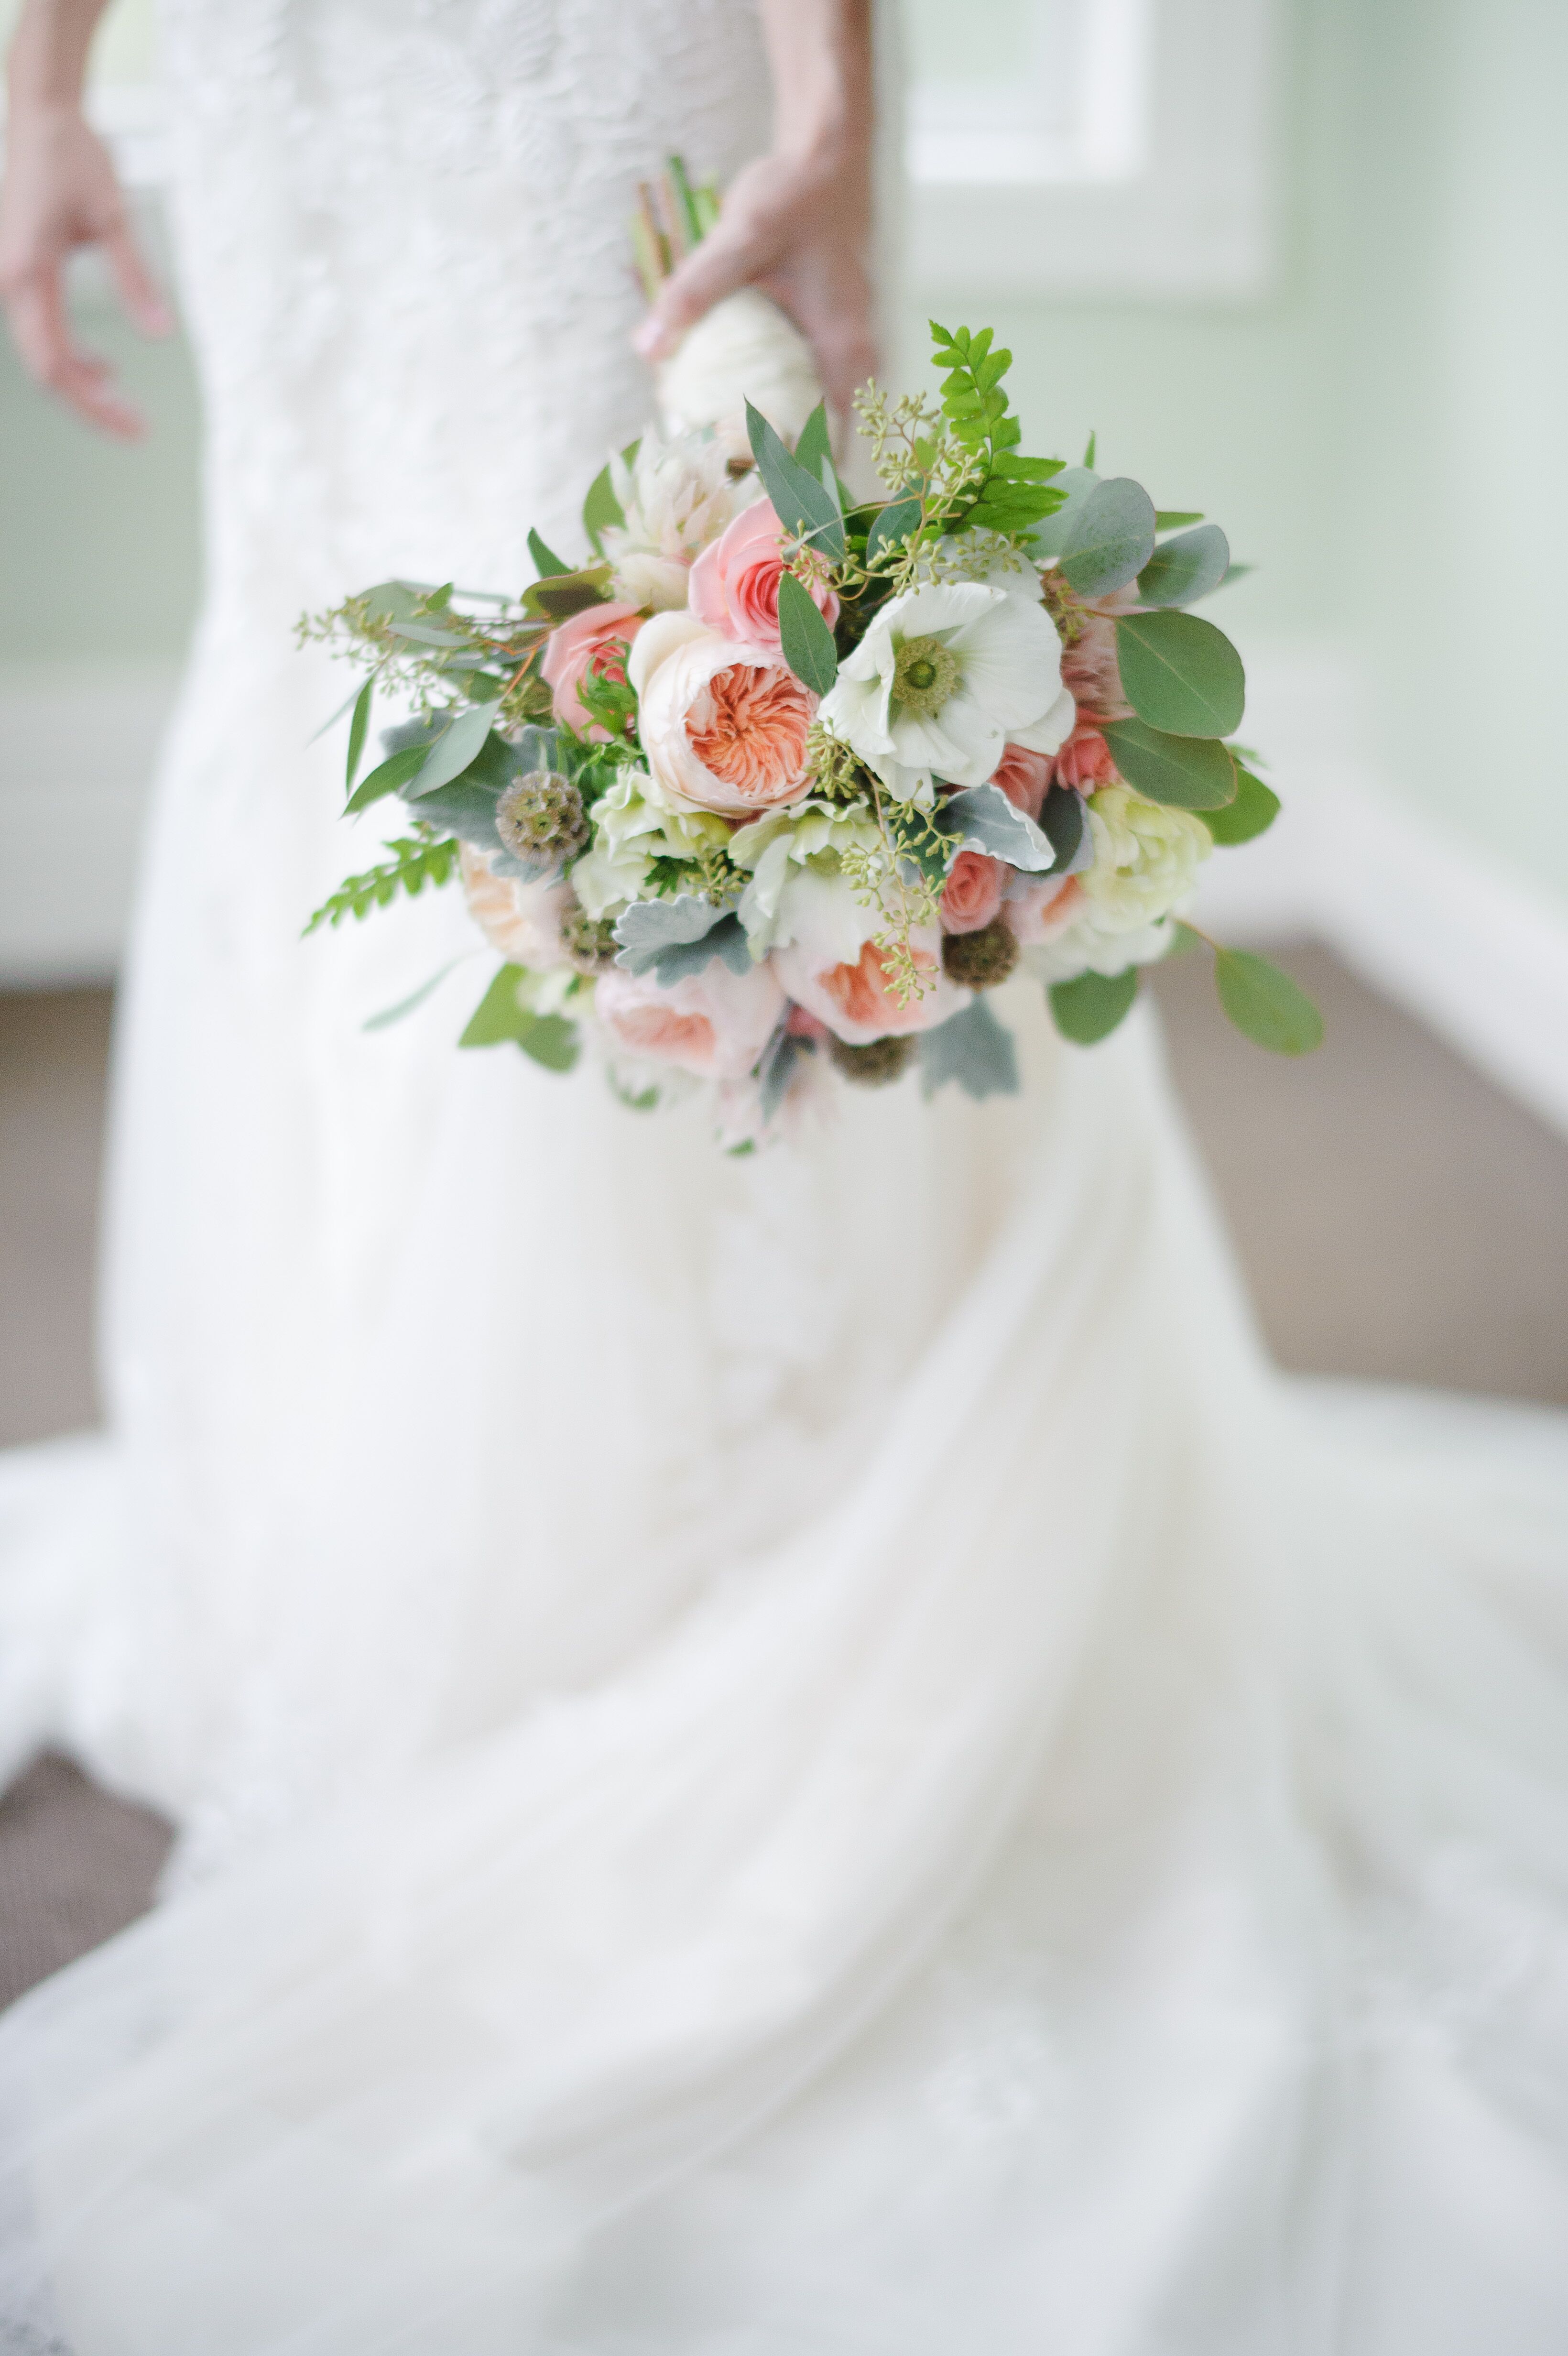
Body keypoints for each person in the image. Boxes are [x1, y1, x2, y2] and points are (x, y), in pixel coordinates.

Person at [1, 4, 1567, 2349]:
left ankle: (730, 1570)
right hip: (275, 79)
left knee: (627, 647)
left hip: (601, 59)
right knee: (338, 689)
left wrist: (826, 118)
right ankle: (368, 1520)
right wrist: (41, 83)